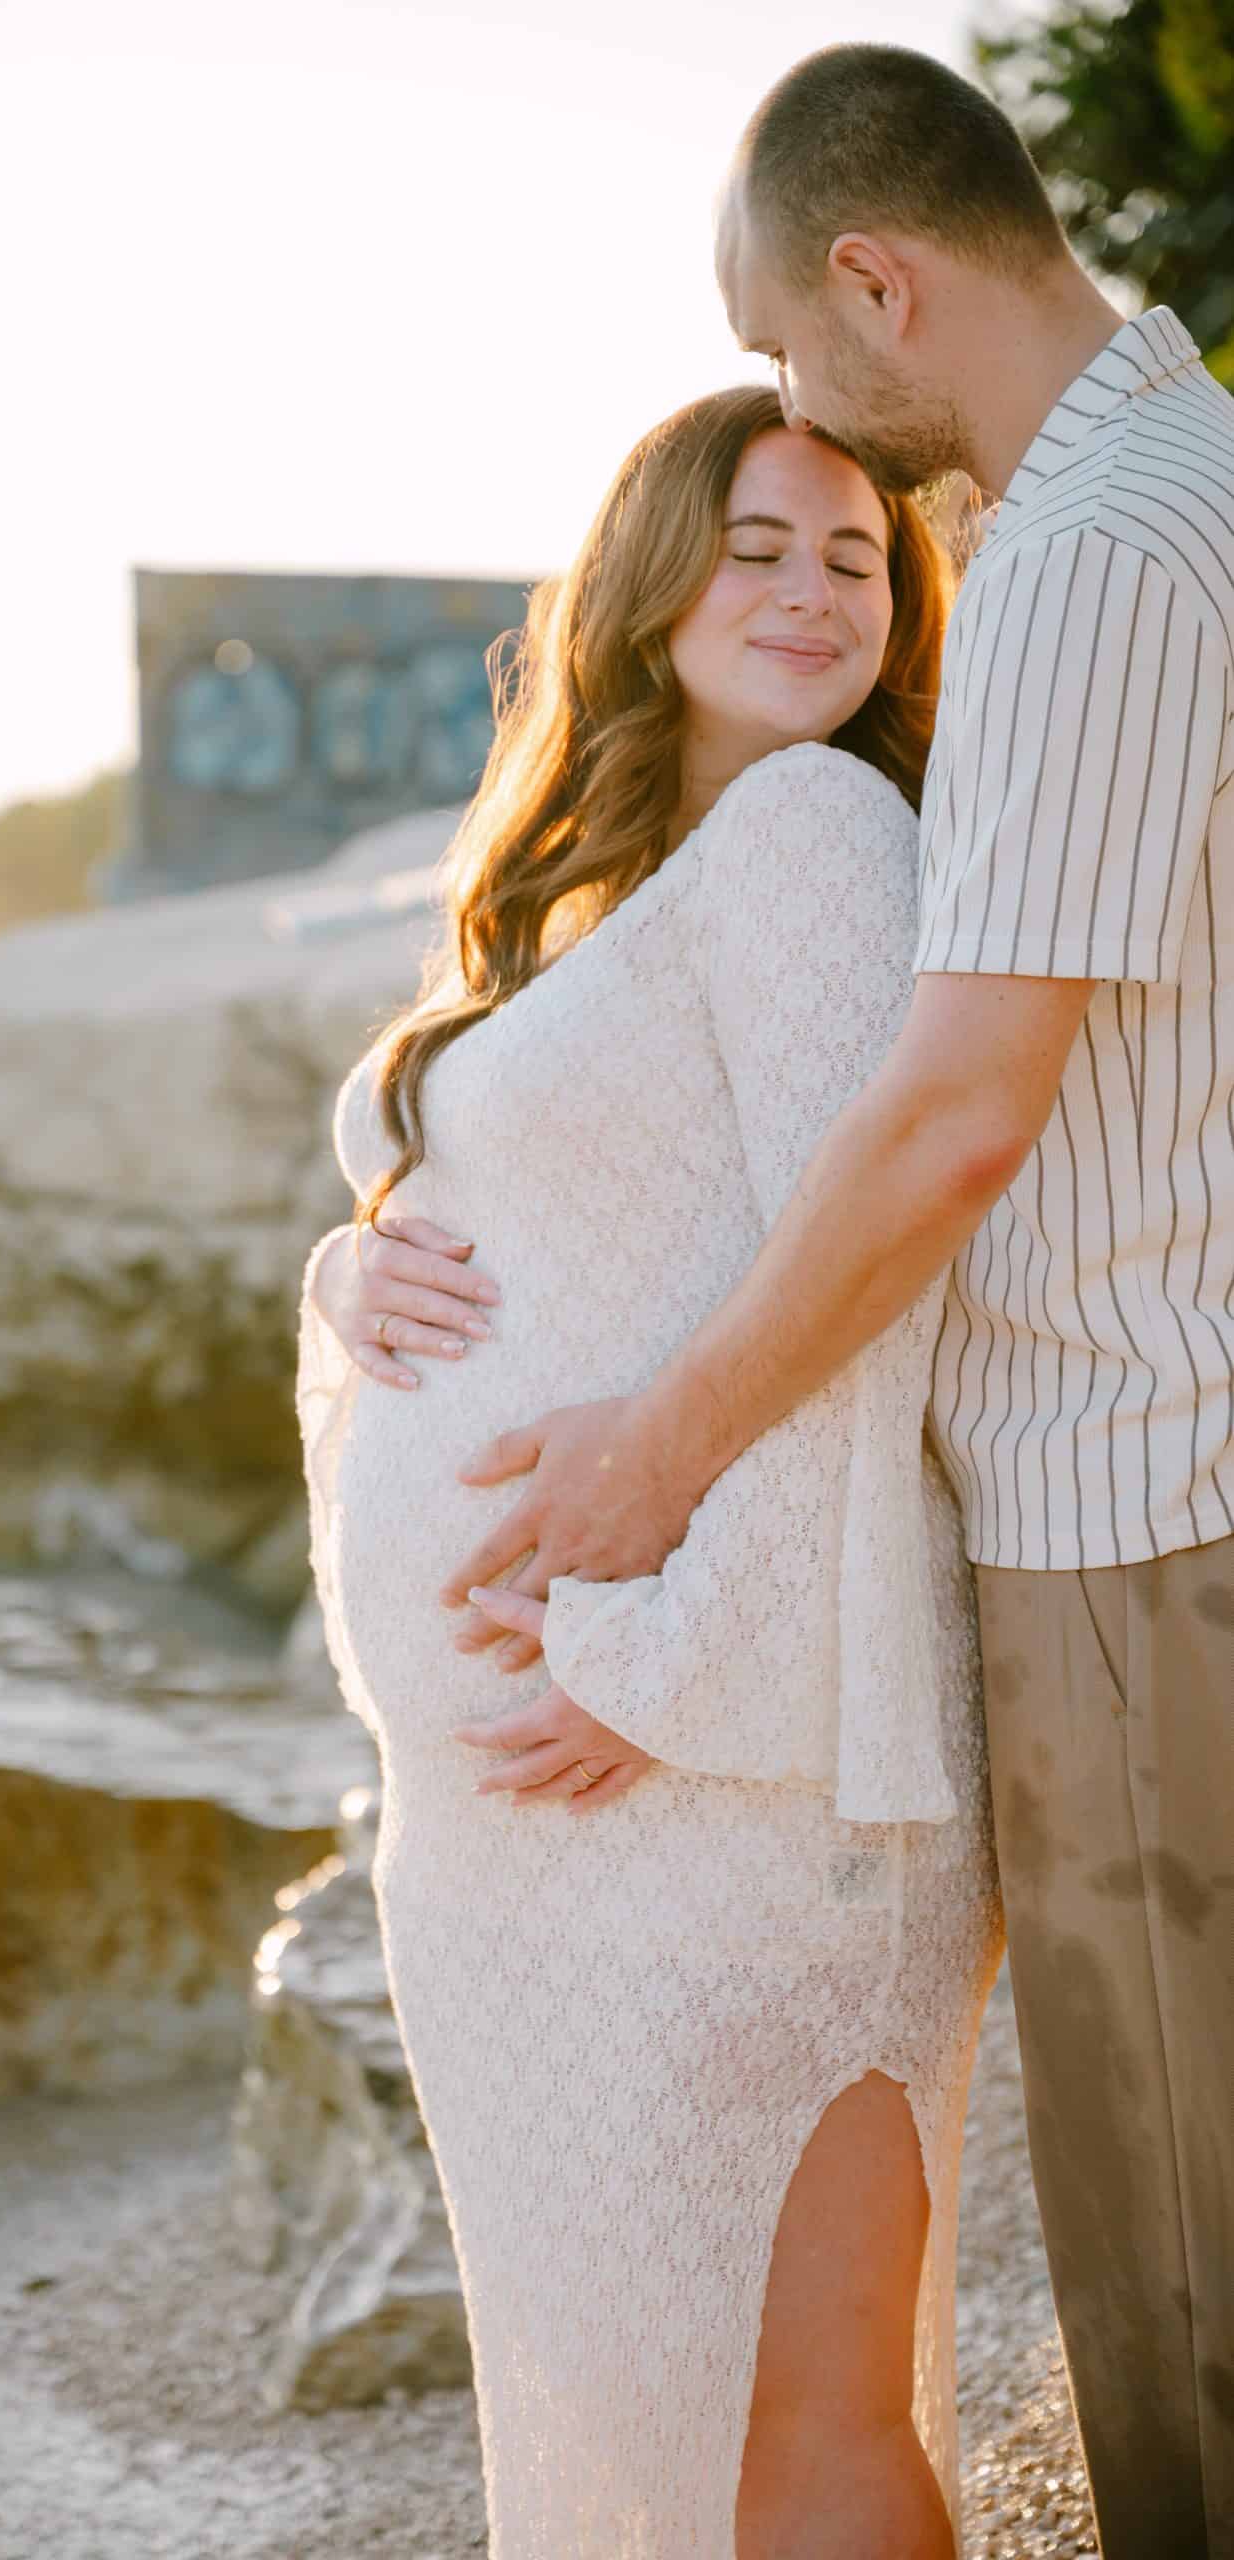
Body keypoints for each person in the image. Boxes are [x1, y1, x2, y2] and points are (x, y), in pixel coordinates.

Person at [423, 45, 1234, 2560]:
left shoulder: (1095, 554)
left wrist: (633, 1509)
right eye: (748, 510)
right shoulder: (1106, 521)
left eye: (793, 361)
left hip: (1118, 1507)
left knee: (1178, 2298)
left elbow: (953, 1119)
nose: (811, 461)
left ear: (870, 280)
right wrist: (381, 1238)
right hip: (1075, 1530)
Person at [296, 384, 1003, 2557]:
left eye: (851, 557)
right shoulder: (602, 879)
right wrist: (348, 1265)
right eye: (756, 542)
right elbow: (497, 1193)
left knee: (791, 2443)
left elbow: (866, 1290)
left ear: (901, 619)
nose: (805, 589)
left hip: (727, 1784)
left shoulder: (814, 834)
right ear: (646, 576)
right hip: (532, 1826)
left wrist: (654, 1657)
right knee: (625, 2418)